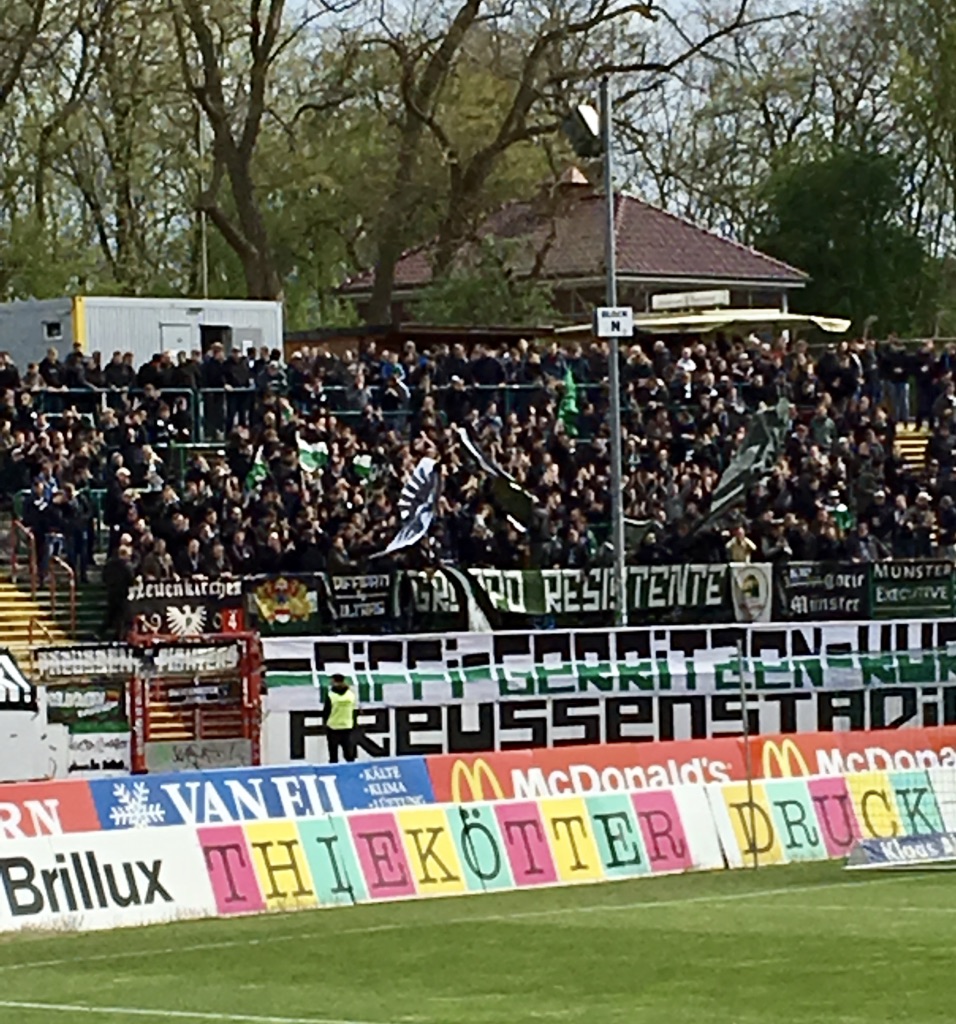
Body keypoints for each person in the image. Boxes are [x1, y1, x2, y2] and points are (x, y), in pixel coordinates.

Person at [322, 673, 357, 763]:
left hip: (333, 727)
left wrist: (324, 724)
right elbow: (354, 710)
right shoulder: (350, 695)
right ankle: (351, 773)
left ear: (334, 681)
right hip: (347, 726)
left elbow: (326, 712)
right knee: (349, 755)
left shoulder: (331, 695)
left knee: (333, 756)